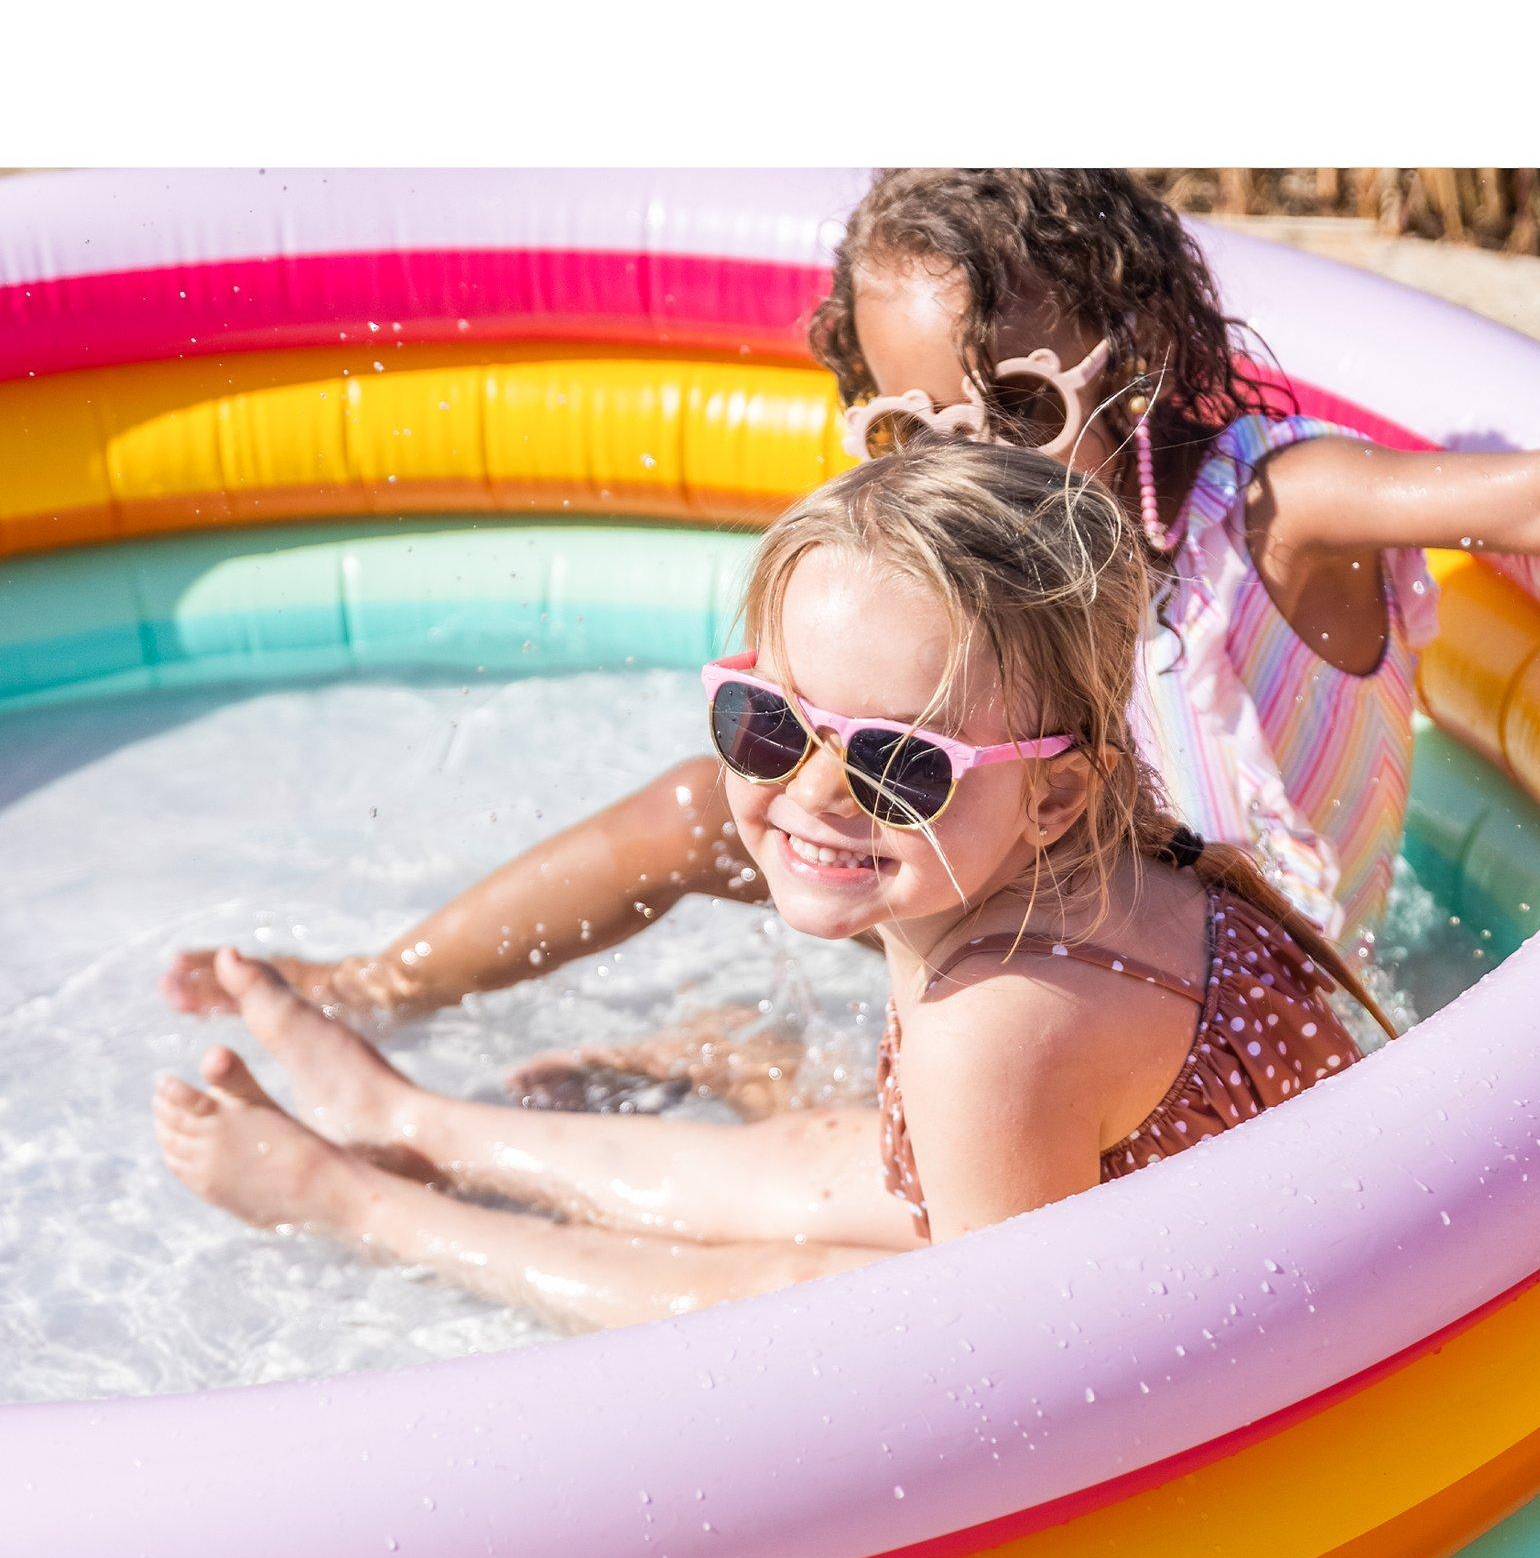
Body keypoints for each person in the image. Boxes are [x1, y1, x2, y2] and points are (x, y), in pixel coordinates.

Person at [157, 168, 1434, 1112]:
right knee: (718, 803)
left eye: (1019, 409)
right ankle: (385, 983)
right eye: (914, 430)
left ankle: (736, 1078)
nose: (970, 464)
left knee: (896, 1116)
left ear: (1134, 359)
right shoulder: (999, 577)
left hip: (1234, 976)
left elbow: (1534, 498)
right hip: (1039, 862)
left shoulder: (1271, 515)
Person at [155, 442, 1376, 1328]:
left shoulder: (998, 1028)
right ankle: (412, 1121)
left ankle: (349, 1196)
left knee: (779, 1295)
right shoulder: (1087, 867)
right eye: (767, 721)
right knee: (807, 1161)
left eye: (903, 764)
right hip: (1118, 1216)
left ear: (1054, 794)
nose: (817, 792)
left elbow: (1017, 1377)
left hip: (1223, 1347)